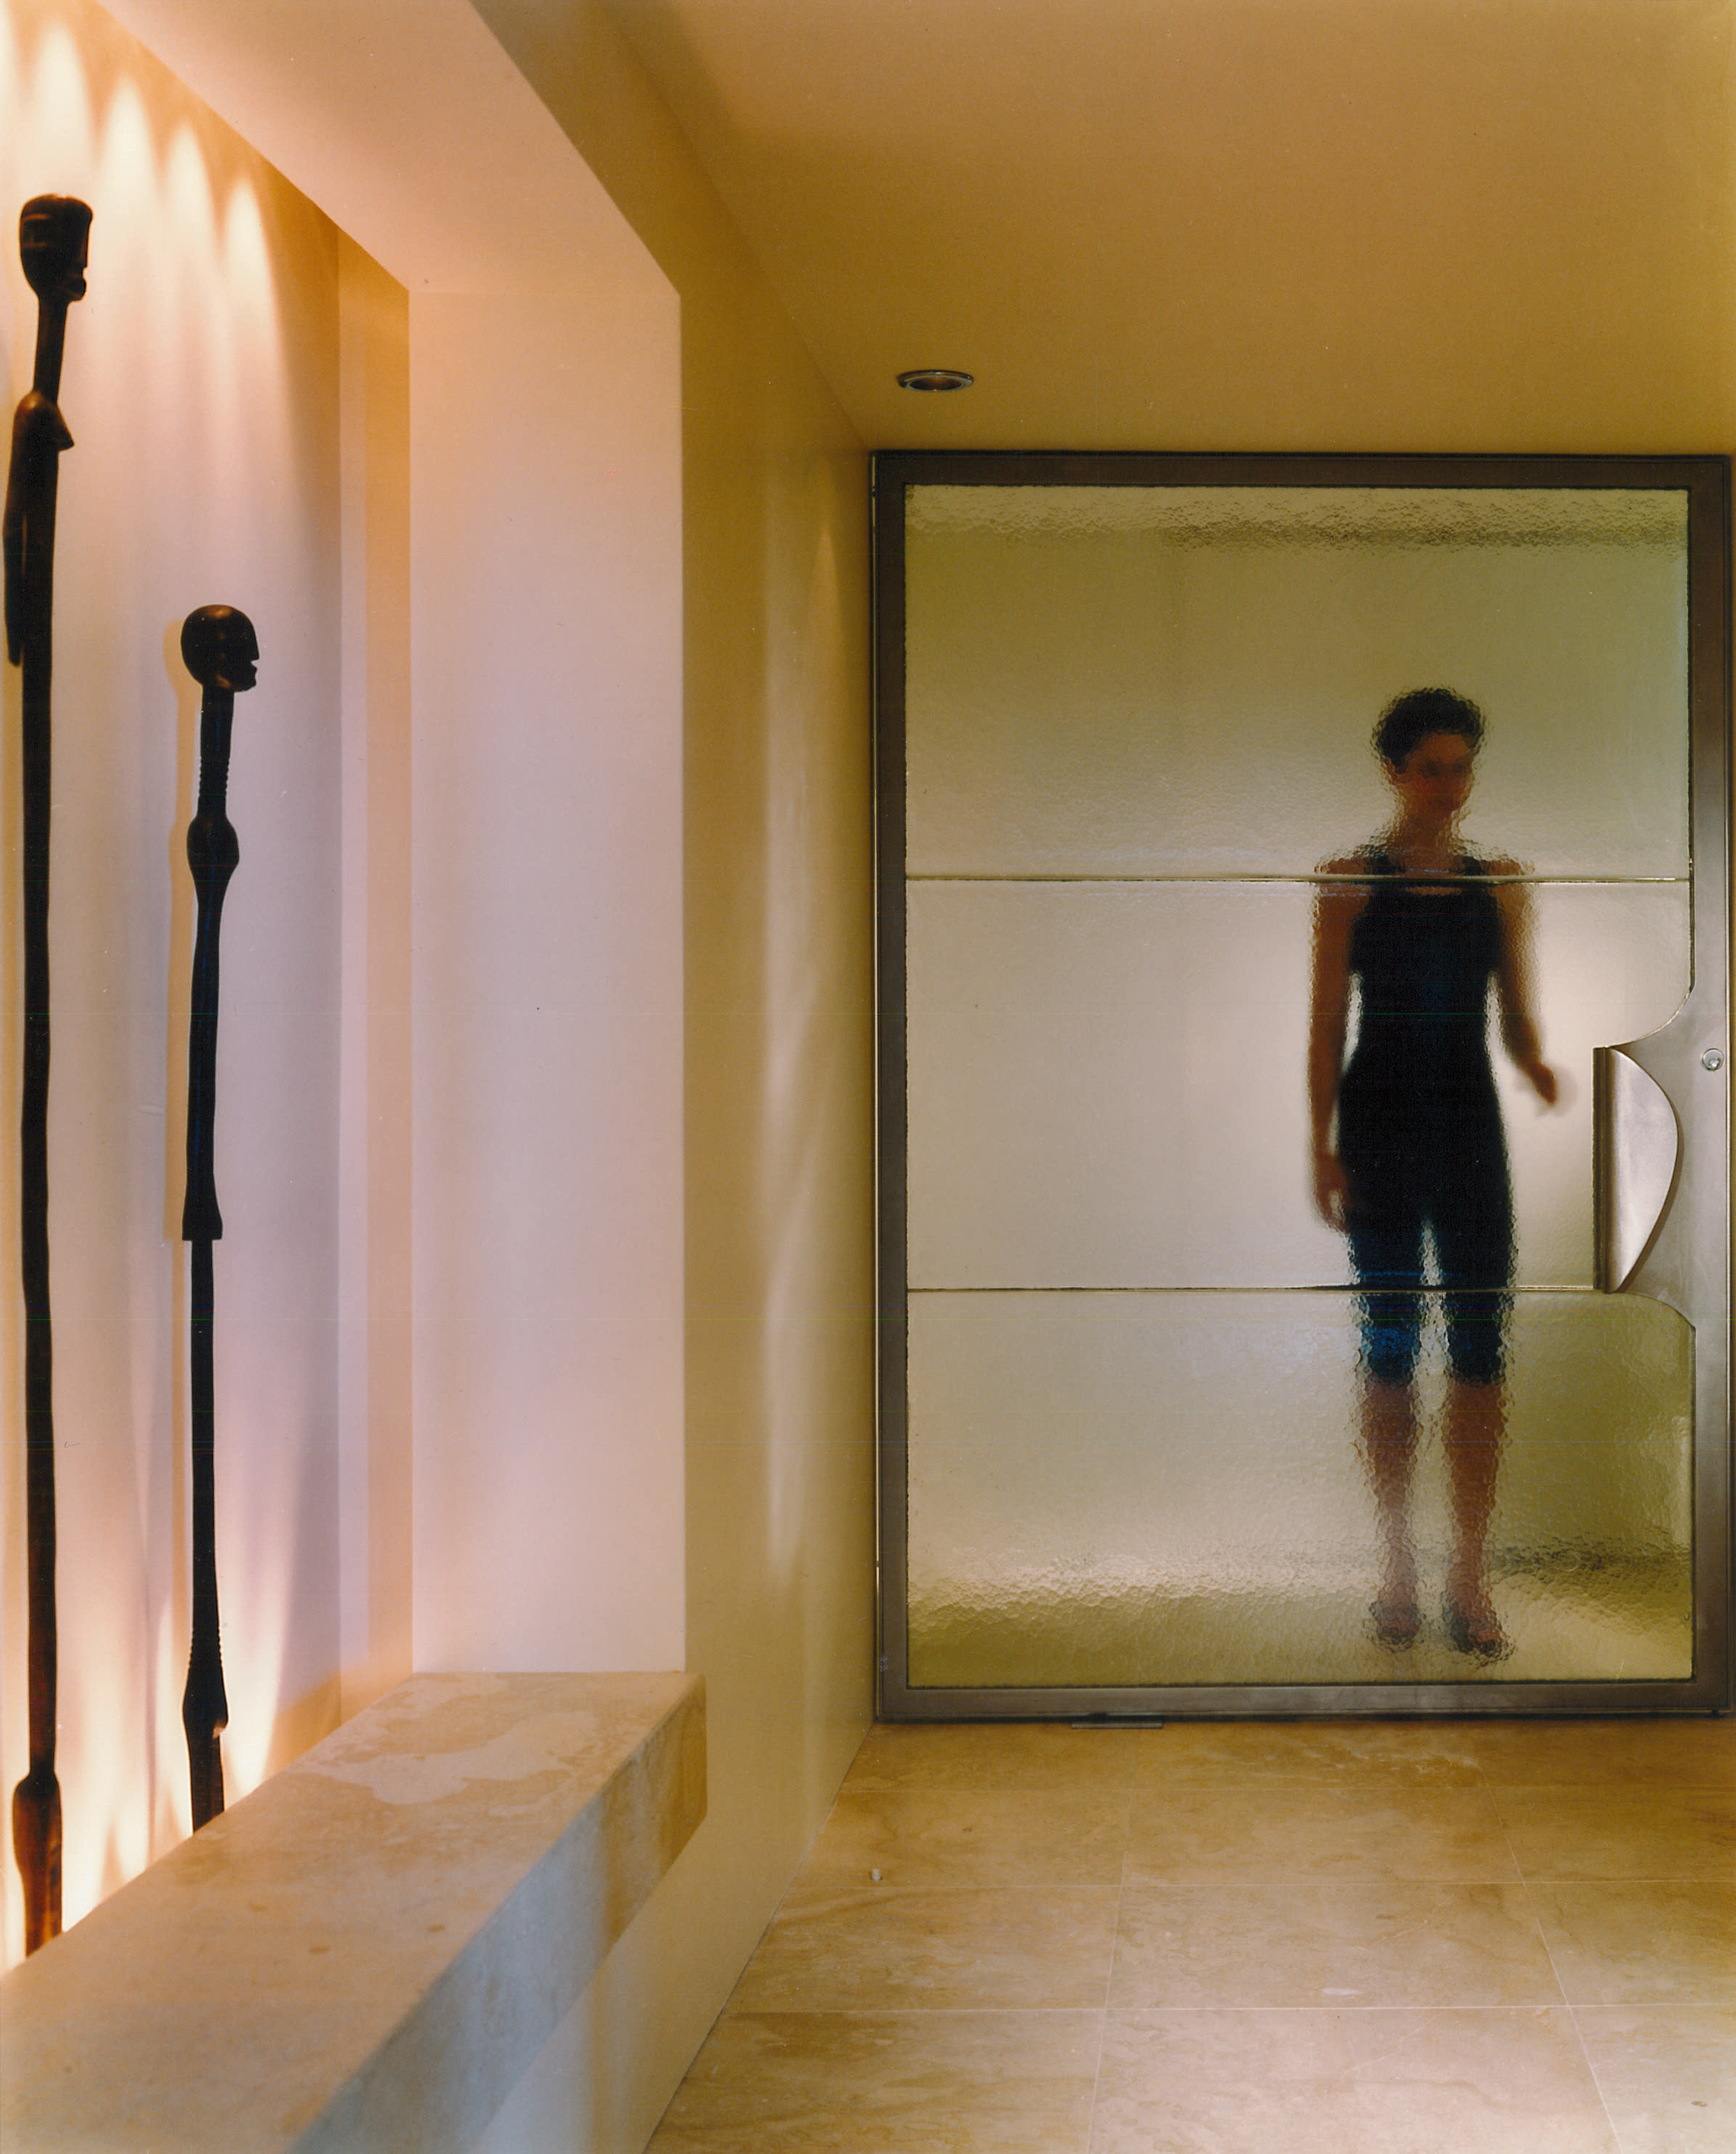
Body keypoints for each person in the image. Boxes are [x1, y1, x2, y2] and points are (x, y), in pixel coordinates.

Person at [1309, 688, 1558, 1657]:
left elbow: (1516, 1014)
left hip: (1466, 1128)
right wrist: (1318, 1144)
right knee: (1386, 1345)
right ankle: (1394, 1567)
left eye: (1459, 768)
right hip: (1375, 1123)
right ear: (1392, 771)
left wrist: (1539, 1064)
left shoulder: (1498, 883)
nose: (1446, 786)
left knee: (1478, 1350)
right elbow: (1325, 1024)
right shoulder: (1347, 881)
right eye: (1429, 768)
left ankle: (1468, 1571)